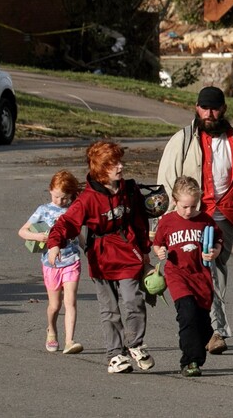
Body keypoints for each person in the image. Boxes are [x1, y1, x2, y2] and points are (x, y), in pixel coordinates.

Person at [157, 85, 233, 355]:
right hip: (193, 216)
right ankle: (216, 330)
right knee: (207, 267)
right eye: (205, 107)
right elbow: (166, 182)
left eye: (215, 108)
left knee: (217, 268)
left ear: (224, 109)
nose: (210, 113)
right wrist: (164, 223)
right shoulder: (182, 140)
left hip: (226, 214)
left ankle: (208, 325)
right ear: (197, 108)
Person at [48, 140, 154, 375]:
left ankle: (135, 343)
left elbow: (139, 220)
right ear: (101, 168)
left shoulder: (130, 189)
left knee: (133, 301)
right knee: (110, 310)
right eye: (113, 163)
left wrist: (145, 250)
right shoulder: (87, 198)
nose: (120, 166)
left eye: (119, 161)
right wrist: (54, 244)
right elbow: (66, 223)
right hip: (101, 256)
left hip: (128, 254)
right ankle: (115, 355)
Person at [152, 176, 222, 377]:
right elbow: (158, 243)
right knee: (187, 315)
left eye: (193, 206)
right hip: (177, 275)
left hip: (201, 276)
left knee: (202, 324)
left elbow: (217, 241)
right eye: (184, 206)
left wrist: (215, 251)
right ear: (174, 201)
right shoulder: (167, 221)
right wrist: (160, 252)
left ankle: (198, 348)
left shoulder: (205, 220)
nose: (189, 211)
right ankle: (190, 361)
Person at [18, 170, 85, 355]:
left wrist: (88, 250)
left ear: (72, 195)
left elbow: (79, 234)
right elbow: (22, 231)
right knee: (55, 305)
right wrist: (38, 235)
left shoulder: (74, 210)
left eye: (65, 198)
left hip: (72, 260)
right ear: (50, 191)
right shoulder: (43, 210)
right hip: (51, 264)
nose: (60, 201)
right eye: (57, 197)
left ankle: (70, 340)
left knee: (70, 301)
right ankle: (52, 330)